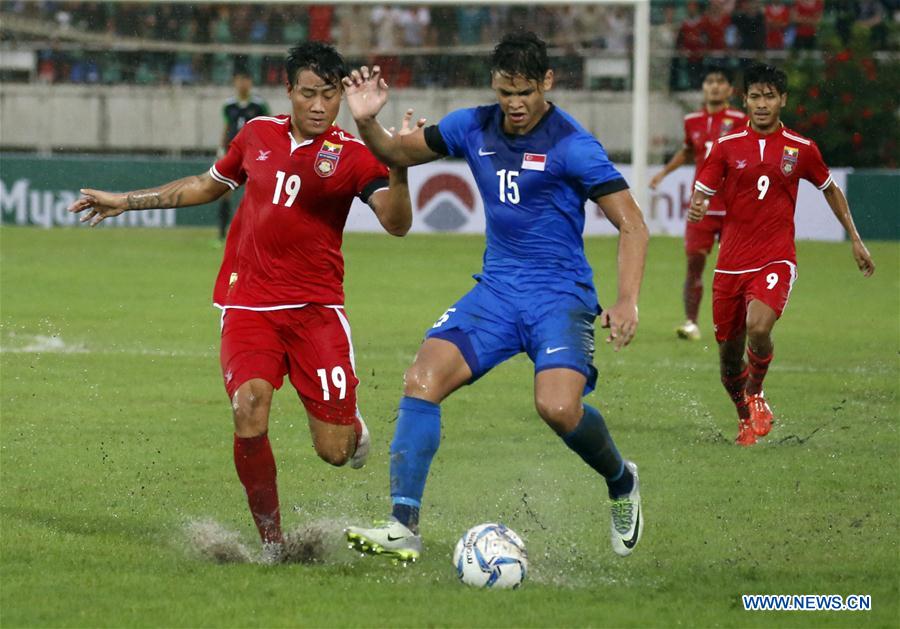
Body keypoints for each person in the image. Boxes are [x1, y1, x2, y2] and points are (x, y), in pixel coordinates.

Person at [67, 42, 416, 561]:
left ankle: (352, 424)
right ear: (289, 91)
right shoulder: (256, 135)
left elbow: (397, 223)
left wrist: (398, 164)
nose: (319, 106)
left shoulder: (353, 151)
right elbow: (207, 186)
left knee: (336, 451)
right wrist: (128, 200)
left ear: (343, 95)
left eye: (329, 95)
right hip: (249, 304)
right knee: (249, 408)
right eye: (308, 94)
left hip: (317, 311)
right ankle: (272, 544)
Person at [341, 32, 649, 562]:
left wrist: (626, 301)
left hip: (560, 298)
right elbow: (395, 152)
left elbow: (634, 225)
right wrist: (367, 121)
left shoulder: (573, 145)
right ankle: (402, 525)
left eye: (525, 92)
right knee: (421, 379)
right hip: (497, 293)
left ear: (547, 83)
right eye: (506, 92)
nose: (515, 104)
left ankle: (621, 482)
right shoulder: (472, 126)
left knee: (556, 407)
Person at [689, 63, 875, 446]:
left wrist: (855, 238)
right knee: (728, 357)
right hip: (731, 264)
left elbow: (829, 189)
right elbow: (703, 189)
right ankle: (744, 419)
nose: (761, 104)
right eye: (755, 96)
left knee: (760, 326)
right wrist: (697, 205)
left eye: (769, 96)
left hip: (775, 256)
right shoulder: (725, 146)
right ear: (745, 100)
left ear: (782, 100)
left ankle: (756, 393)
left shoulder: (801, 148)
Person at [650, 67, 746, 341]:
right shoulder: (692, 121)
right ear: (703, 87)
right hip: (700, 205)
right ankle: (691, 322)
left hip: (732, 207)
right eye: (709, 81)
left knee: (736, 269)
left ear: (729, 90)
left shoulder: (740, 120)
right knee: (694, 262)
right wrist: (663, 173)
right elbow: (689, 151)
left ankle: (737, 322)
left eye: (720, 82)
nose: (714, 86)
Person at [217, 67, 270, 242]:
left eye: (246, 79)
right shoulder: (228, 106)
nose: (243, 83)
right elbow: (226, 128)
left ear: (251, 82)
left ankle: (255, 232)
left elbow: (267, 129)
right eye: (240, 80)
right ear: (234, 82)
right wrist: (221, 150)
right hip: (233, 153)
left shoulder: (259, 105)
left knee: (256, 193)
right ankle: (222, 235)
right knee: (224, 191)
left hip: (254, 155)